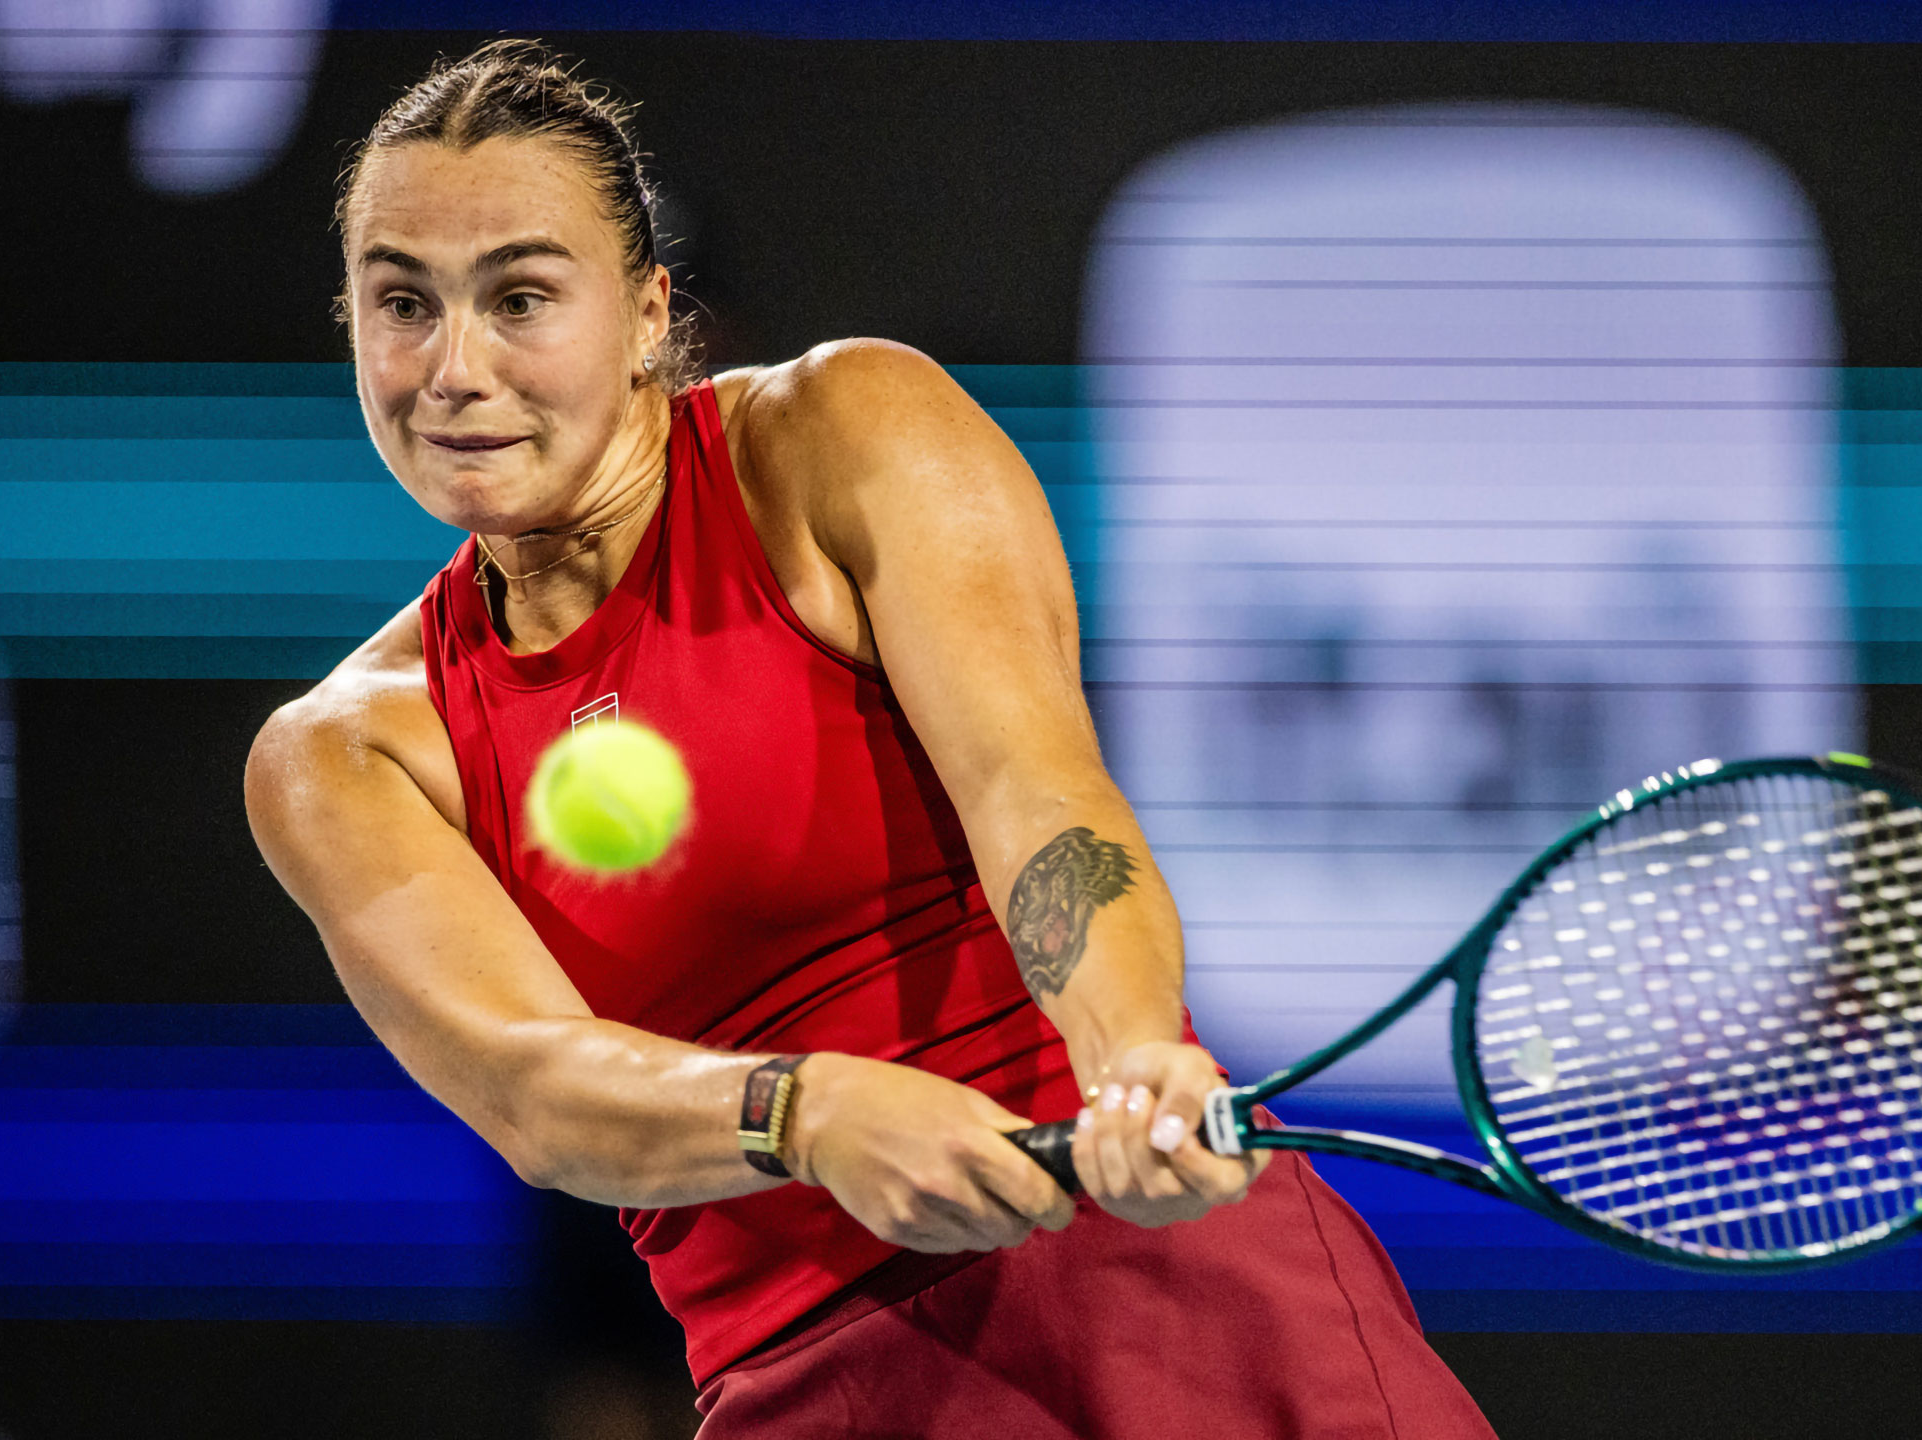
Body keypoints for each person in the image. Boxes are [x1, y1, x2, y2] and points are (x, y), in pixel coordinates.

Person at [244, 40, 1495, 1439]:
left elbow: (1037, 793)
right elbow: (538, 1091)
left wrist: (1133, 1053)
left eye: (522, 297)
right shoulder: (346, 753)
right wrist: (805, 1113)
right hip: (821, 1393)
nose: (454, 369)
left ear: (651, 314)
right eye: (401, 303)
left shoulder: (847, 431)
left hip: (1167, 1285)